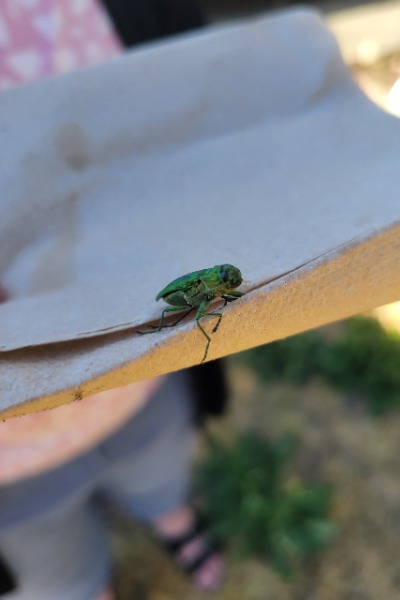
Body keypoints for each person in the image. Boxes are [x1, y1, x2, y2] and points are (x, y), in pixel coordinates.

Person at [0, 1, 225, 598]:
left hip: (140, 382)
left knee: (160, 467)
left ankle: (172, 518)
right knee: (57, 570)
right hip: (11, 470)